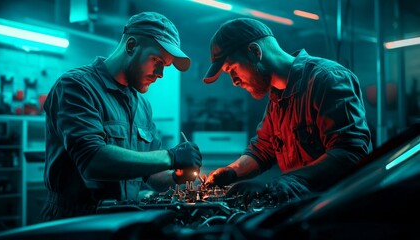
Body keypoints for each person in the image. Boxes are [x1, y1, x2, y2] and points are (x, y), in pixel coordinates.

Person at [38, 12, 202, 222]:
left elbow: (150, 174)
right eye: (157, 60)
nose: (160, 73)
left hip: (122, 219)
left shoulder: (142, 106)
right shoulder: (76, 86)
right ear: (131, 46)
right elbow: (92, 160)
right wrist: (171, 157)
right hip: (75, 220)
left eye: (165, 66)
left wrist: (176, 176)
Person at [203, 18, 372, 206]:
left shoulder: (327, 79)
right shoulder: (276, 100)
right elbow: (262, 150)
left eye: (232, 69)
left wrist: (289, 180)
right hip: (304, 211)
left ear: (254, 52)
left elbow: (349, 153)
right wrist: (230, 172)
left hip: (340, 208)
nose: (234, 81)